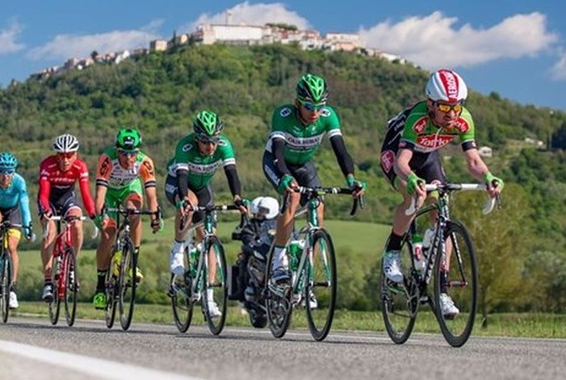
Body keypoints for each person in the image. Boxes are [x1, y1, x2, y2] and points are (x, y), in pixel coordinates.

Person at [379, 69, 504, 317]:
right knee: (415, 195)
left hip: (428, 157)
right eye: (445, 108)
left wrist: (489, 177)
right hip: (397, 154)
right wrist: (413, 180)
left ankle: (442, 290)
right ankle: (392, 253)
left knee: (441, 212)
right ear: (430, 104)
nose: (451, 114)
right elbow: (402, 162)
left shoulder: (463, 119)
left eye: (456, 107)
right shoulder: (418, 118)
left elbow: (473, 161)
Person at [263, 73, 366, 283]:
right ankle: (278, 262)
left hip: (304, 165)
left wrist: (351, 180)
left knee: (318, 206)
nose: (315, 112)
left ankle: (308, 271)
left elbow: (341, 151)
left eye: (320, 106)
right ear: (297, 103)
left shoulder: (328, 116)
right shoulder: (283, 116)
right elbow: (278, 154)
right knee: (292, 197)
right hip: (277, 162)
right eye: (309, 106)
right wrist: (285, 177)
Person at [166, 111, 248, 290]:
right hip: (179, 183)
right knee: (191, 203)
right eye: (205, 141)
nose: (210, 146)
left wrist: (237, 197)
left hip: (203, 186)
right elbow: (181, 176)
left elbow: (231, 173)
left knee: (209, 237)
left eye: (214, 141)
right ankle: (178, 248)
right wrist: (184, 199)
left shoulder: (224, 146)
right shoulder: (185, 147)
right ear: (196, 138)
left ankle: (209, 296)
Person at [91, 128, 162, 310]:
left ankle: (133, 264)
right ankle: (100, 287)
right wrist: (100, 215)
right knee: (108, 234)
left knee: (135, 211)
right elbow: (100, 194)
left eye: (133, 154)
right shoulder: (107, 159)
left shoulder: (144, 163)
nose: (128, 158)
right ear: (117, 150)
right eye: (123, 153)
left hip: (130, 189)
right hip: (109, 193)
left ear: (138, 152)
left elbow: (152, 195)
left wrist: (155, 215)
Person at [37, 133, 97, 303]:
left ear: (75, 154)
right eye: (61, 155)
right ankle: (48, 281)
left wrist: (93, 213)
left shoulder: (80, 167)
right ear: (56, 155)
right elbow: (43, 194)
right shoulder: (47, 166)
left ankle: (71, 264)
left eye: (69, 155)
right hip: (49, 200)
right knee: (49, 233)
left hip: (68, 199)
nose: (65, 159)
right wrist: (47, 212)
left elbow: (85, 195)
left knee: (77, 224)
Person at [0, 152, 35, 310]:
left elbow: (24, 207)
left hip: (13, 211)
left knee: (12, 248)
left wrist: (28, 227)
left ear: (14, 171)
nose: (5, 176)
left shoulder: (19, 182)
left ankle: (12, 290)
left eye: (9, 171)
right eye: (2, 171)